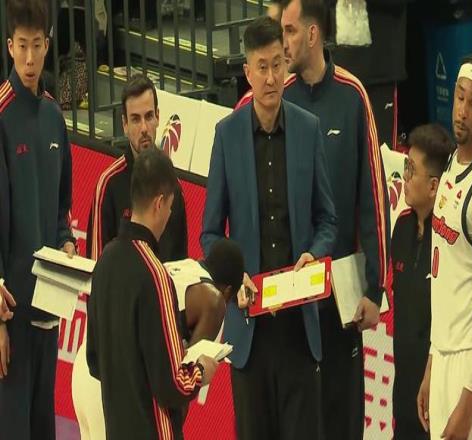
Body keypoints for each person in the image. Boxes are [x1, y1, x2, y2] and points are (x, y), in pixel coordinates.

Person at [236, 1, 389, 438]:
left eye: (288, 31)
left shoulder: (353, 96)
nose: (281, 42)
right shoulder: (270, 98)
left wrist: (375, 289)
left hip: (338, 301)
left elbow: (373, 198)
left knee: (341, 423)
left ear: (313, 34)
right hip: (285, 309)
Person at [202, 16, 337, 440]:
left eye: (277, 64)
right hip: (250, 329)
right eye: (262, 67)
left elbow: (327, 219)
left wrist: (315, 254)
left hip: (299, 328)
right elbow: (210, 234)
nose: (271, 77)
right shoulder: (226, 135)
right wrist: (233, 278)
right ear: (247, 72)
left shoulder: (308, 129)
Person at [87, 148, 219, 440]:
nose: (170, 214)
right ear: (159, 203)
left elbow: (94, 360)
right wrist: (200, 370)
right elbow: (173, 385)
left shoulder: (104, 262)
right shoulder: (156, 275)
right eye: (170, 206)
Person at [73, 237, 244, 440]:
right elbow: (183, 384)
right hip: (114, 385)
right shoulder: (214, 300)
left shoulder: (178, 266)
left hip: (87, 367)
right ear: (228, 291)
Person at [0, 0, 76, 438]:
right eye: (22, 46)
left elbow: (63, 207)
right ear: (10, 47)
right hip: (10, 314)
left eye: (37, 46)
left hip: (49, 307)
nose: (30, 59)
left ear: (47, 46)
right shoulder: (1, 116)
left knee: (43, 428)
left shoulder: (54, 116)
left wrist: (67, 242)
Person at [417, 56, 472, 440]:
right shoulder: (450, 164)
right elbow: (443, 279)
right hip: (445, 357)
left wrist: (468, 401)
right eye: (459, 97)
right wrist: (432, 362)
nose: (462, 111)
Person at [390, 124, 454, 440]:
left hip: (437, 392)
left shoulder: (450, 241)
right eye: (405, 165)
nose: (404, 176)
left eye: (411, 169)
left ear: (433, 186)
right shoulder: (401, 228)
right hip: (402, 389)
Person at [87, 73, 188, 263]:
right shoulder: (108, 185)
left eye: (149, 116)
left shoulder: (173, 186)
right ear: (124, 125)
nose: (144, 128)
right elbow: (96, 268)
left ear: (158, 117)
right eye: (135, 119)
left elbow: (180, 264)